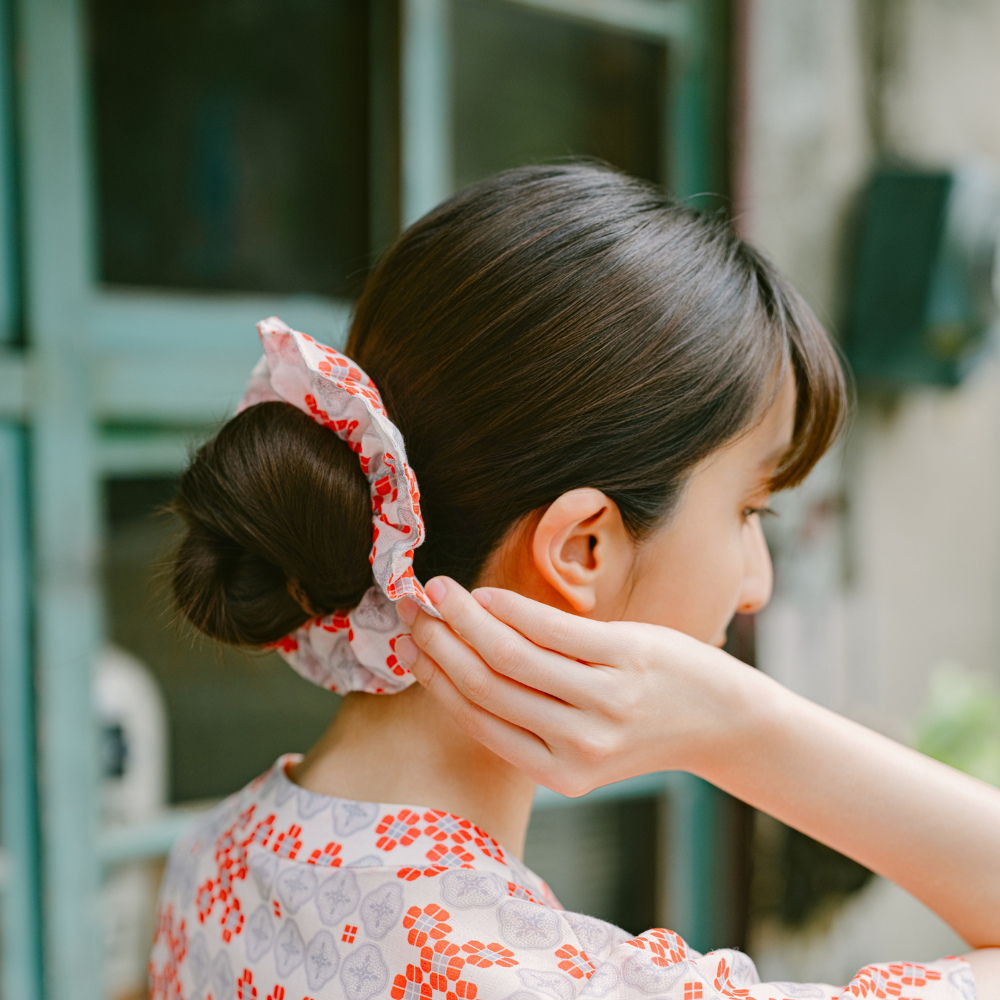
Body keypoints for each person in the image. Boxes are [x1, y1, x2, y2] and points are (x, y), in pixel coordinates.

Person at [149, 164, 995, 1000]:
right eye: (750, 512)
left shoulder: (217, 859)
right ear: (584, 548)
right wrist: (739, 726)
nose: (756, 586)